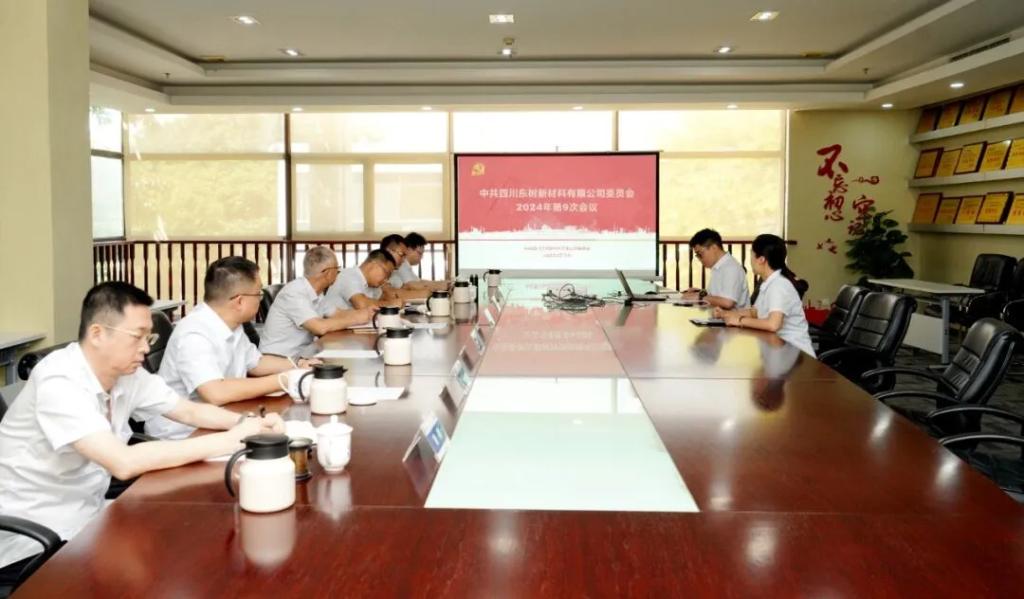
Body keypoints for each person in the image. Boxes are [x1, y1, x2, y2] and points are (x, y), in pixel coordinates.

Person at [0, 282, 283, 579]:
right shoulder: (59, 380)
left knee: (193, 541)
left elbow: (188, 410)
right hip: (34, 541)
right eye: (137, 337)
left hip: (88, 515)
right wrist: (230, 441)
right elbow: (123, 462)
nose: (146, 348)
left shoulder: (125, 374)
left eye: (149, 337)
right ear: (97, 334)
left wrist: (248, 424)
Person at [146, 257, 319, 439]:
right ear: (239, 301)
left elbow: (256, 363)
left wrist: (298, 364)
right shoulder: (194, 333)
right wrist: (284, 380)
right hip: (183, 435)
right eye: (258, 294)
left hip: (224, 418)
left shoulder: (231, 323)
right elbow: (215, 392)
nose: (260, 299)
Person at [259, 246, 376, 358]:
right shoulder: (294, 292)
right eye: (337, 269)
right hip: (278, 360)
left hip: (300, 356)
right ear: (328, 273)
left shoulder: (317, 293)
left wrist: (368, 313)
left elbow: (338, 313)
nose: (338, 272)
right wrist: (356, 319)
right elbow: (319, 327)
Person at [714, 233, 815, 357]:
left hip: (796, 355)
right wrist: (726, 314)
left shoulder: (779, 285)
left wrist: (739, 320)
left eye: (752, 255)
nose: (750, 260)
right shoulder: (769, 282)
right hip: (778, 349)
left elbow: (773, 324)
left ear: (761, 259)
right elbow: (755, 312)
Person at [682, 228, 750, 310]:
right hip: (717, 315)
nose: (699, 259)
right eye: (697, 256)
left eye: (700, 254)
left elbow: (727, 302)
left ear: (714, 248)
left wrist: (699, 298)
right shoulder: (718, 267)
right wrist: (700, 293)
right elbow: (718, 295)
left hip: (731, 317)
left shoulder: (731, 268)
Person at [325, 249, 399, 311]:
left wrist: (389, 297)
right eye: (386, 273)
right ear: (373, 264)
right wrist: (390, 304)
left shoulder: (371, 284)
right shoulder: (349, 275)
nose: (386, 280)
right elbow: (362, 304)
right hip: (333, 322)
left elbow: (381, 299)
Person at [379, 234, 432, 302]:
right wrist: (425, 293)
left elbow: (404, 289)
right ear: (389, 252)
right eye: (401, 255)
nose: (404, 260)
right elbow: (390, 294)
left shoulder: (393, 272)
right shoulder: (379, 270)